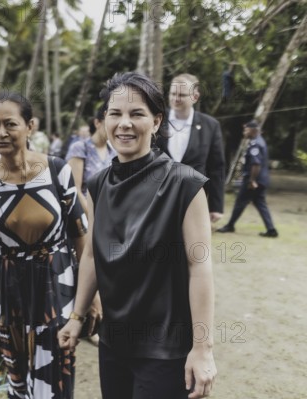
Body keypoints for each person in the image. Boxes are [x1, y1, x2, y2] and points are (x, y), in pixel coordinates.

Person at [58, 72, 217, 399]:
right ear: (103, 121)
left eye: (137, 114)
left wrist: (202, 349)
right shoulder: (98, 184)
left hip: (165, 348)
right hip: (114, 342)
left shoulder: (184, 185)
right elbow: (91, 254)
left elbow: (199, 267)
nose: (124, 123)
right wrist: (77, 316)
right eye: (115, 114)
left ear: (157, 121)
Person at [0, 92, 96, 398]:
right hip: (10, 287)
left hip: (56, 284)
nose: (0, 133)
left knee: (55, 370)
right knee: (17, 372)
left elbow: (81, 237)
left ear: (30, 126)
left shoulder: (58, 171)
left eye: (10, 124)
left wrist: (91, 297)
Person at [155, 73, 226, 223]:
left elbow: (216, 167)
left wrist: (216, 206)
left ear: (195, 96)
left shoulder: (210, 126)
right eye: (173, 93)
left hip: (194, 199)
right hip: (157, 198)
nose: (175, 98)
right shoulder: (157, 120)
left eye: (181, 94)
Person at [217, 120, 278, 237]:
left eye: (246, 130)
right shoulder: (260, 141)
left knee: (240, 202)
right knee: (260, 203)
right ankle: (271, 230)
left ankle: (230, 225)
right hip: (262, 179)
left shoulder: (255, 144)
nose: (244, 132)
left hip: (254, 180)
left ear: (252, 130)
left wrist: (252, 180)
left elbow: (256, 164)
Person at [65, 108, 117, 212]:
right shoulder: (80, 148)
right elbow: (75, 189)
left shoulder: (114, 151)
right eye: (110, 123)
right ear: (97, 123)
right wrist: (92, 217)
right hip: (86, 214)